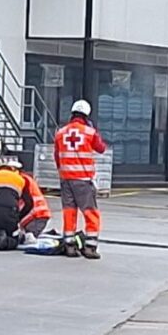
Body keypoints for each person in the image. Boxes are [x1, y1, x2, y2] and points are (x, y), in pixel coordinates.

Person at [54, 99, 107, 259]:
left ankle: (69, 245)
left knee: (69, 212)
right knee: (91, 212)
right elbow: (101, 148)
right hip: (83, 180)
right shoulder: (89, 132)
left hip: (66, 179)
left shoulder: (61, 132)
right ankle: (90, 246)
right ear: (87, 115)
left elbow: (57, 156)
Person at [18, 167, 52, 239]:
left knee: (27, 237)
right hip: (36, 216)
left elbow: (28, 203)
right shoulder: (24, 178)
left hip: (37, 216)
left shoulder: (23, 180)